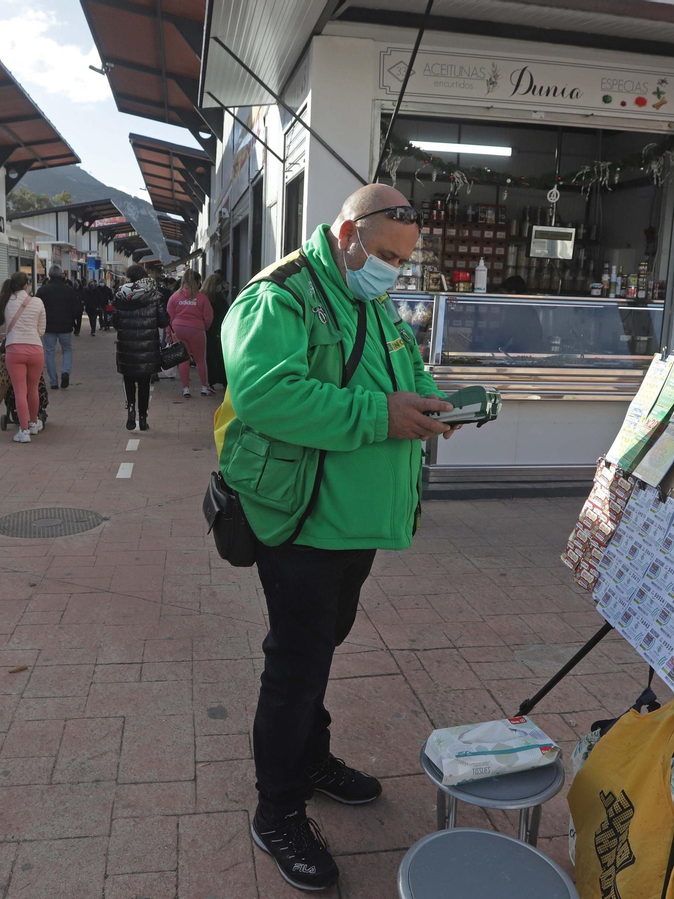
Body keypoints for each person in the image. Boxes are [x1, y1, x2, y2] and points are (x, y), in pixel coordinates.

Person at [221, 184, 458, 891]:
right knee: (295, 664)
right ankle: (278, 808)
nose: (393, 269)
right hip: (301, 523)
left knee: (321, 650)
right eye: (385, 253)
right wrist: (381, 416)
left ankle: (311, 759)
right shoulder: (283, 295)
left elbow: (403, 373)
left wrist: (431, 401)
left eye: (403, 260)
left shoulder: (373, 302)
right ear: (349, 231)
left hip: (355, 525)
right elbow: (266, 393)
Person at [0, 272, 46, 443]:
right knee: (33, 389)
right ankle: (34, 423)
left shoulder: (4, 302)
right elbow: (41, 330)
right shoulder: (38, 302)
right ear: (26, 285)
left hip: (14, 350)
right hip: (36, 350)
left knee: (20, 391)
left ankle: (24, 431)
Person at [112, 263, 168, 432]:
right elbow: (163, 321)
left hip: (126, 347)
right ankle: (143, 418)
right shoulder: (154, 295)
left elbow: (114, 322)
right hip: (147, 347)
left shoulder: (120, 295)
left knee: (128, 380)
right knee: (144, 383)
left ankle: (130, 409)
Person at [167, 270, 215, 397]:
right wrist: (203, 327)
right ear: (198, 282)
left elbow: (168, 317)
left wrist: (168, 333)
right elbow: (209, 317)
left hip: (178, 330)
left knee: (183, 360)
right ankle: (204, 387)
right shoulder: (202, 297)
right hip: (196, 330)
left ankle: (186, 389)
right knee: (200, 360)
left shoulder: (174, 297)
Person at [35, 265, 79, 390]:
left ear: (49, 275)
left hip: (48, 326)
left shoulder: (43, 290)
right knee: (67, 350)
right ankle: (65, 372)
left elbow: (36, 307)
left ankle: (53, 381)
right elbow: (76, 308)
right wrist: (72, 320)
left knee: (49, 352)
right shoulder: (69, 290)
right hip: (65, 326)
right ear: (61, 275)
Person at [202, 270, 231, 392]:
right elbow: (226, 312)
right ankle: (224, 381)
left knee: (208, 356)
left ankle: (210, 381)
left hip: (206, 330)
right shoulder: (220, 298)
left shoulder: (203, 297)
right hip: (219, 330)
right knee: (221, 356)